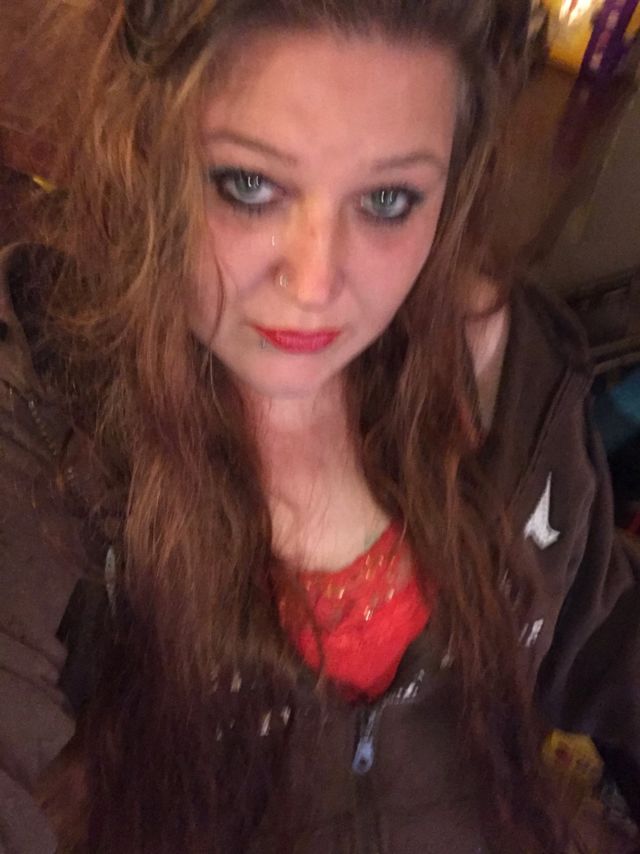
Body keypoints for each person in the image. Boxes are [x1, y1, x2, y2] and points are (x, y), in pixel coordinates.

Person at [0, 1, 639, 852]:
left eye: (387, 199)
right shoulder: (45, 408)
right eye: (248, 185)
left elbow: (594, 634)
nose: (314, 285)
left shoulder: (508, 369)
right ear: (143, 147)